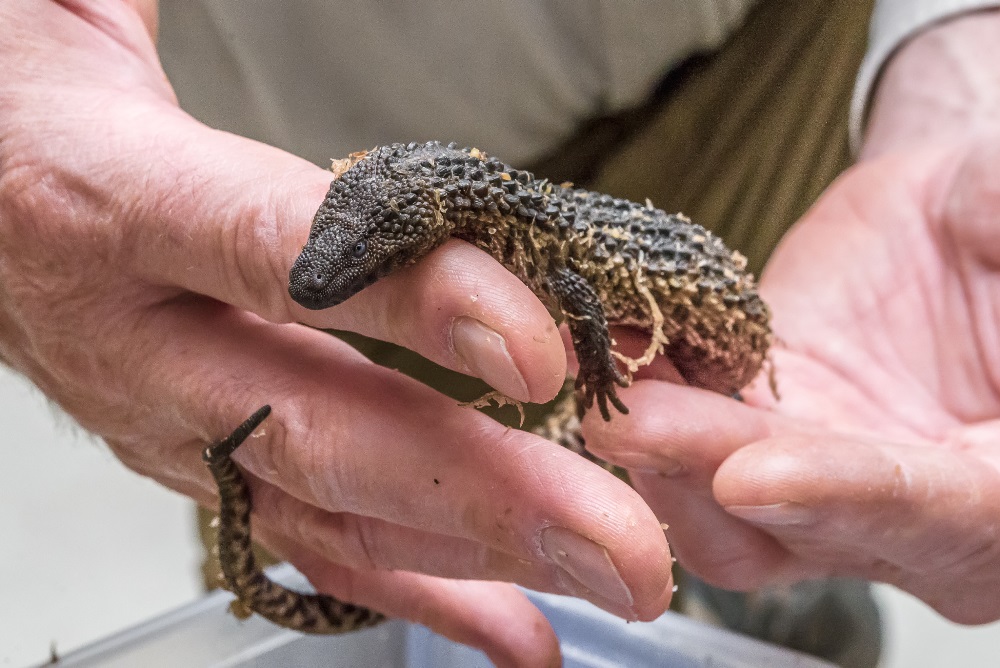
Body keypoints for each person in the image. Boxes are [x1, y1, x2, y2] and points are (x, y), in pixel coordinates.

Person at [1, 2, 998, 667]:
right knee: (334, 509)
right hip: (235, 151)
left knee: (683, 476)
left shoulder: (526, 242)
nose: (332, 267)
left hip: (767, 57)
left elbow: (567, 281)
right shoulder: (426, 220)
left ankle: (740, 600)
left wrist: (958, 47)